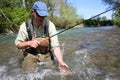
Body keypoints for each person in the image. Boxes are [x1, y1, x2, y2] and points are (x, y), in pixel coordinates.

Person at [15, 1, 68, 73]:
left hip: (46, 54)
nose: (42, 18)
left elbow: (55, 46)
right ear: (33, 12)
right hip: (31, 54)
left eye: (44, 16)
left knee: (51, 73)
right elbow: (18, 45)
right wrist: (29, 43)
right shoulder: (24, 26)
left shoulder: (50, 25)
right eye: (40, 15)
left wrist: (61, 62)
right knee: (27, 73)